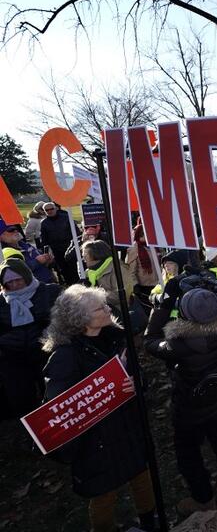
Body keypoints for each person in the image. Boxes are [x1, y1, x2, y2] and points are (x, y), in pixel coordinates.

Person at [41, 285, 155, 532]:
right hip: (97, 442)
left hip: (128, 427)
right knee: (104, 493)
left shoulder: (116, 339)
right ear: (81, 319)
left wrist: (136, 384)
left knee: (142, 477)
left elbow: (139, 375)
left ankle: (149, 521)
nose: (108, 309)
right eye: (100, 307)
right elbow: (59, 408)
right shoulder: (65, 357)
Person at [145, 287, 217, 515]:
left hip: (189, 407)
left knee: (187, 453)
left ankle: (203, 500)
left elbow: (150, 340)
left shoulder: (180, 344)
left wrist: (163, 305)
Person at [0, 258, 61, 418]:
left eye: (17, 280)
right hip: (13, 358)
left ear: (26, 276)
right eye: (9, 282)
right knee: (22, 399)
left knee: (53, 392)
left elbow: (61, 319)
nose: (14, 285)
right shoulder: (1, 302)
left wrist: (48, 334)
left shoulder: (49, 292)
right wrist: (7, 341)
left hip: (46, 351)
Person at [81, 240, 134, 315]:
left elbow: (122, 294)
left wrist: (94, 297)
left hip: (120, 313)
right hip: (99, 312)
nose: (84, 260)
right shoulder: (89, 272)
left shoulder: (118, 268)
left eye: (85, 256)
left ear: (96, 255)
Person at [0, 218, 54, 283]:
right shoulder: (3, 254)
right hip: (34, 288)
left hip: (48, 281)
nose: (16, 231)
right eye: (11, 230)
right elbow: (16, 272)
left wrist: (47, 260)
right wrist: (37, 261)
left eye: (16, 229)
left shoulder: (25, 245)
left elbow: (40, 258)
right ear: (1, 236)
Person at [40, 201, 80, 285]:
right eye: (47, 210)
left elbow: (76, 231)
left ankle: (77, 282)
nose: (50, 211)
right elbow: (44, 239)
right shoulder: (44, 223)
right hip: (56, 249)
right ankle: (69, 284)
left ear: (56, 209)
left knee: (74, 266)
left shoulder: (66, 218)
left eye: (51, 209)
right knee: (62, 268)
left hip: (70, 246)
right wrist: (46, 252)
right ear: (44, 211)